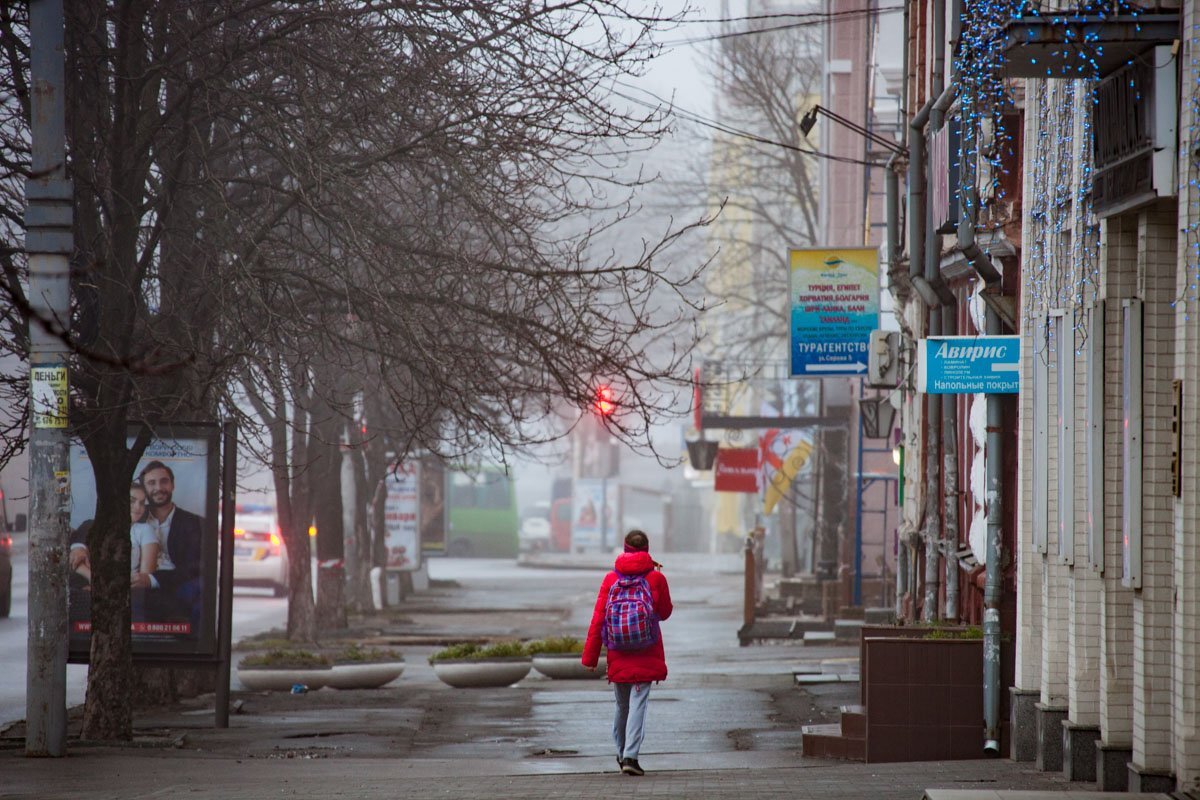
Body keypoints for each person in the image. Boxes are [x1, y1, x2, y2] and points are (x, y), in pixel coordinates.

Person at [581, 529, 673, 777]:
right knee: (638, 704)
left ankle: (621, 754)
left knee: (622, 706)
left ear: (625, 548)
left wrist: (590, 658)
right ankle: (632, 756)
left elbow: (598, 619)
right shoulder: (656, 579)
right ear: (646, 548)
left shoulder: (611, 579)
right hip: (646, 649)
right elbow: (664, 613)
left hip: (618, 652)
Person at [137, 460, 205, 628]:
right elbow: (92, 525)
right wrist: (78, 546)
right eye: (151, 483)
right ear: (144, 489)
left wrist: (153, 579)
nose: (159, 488)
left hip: (177, 585)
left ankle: (193, 650)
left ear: (173, 485)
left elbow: (194, 566)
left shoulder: (195, 523)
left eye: (164, 481)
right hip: (137, 586)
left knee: (200, 588)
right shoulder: (134, 515)